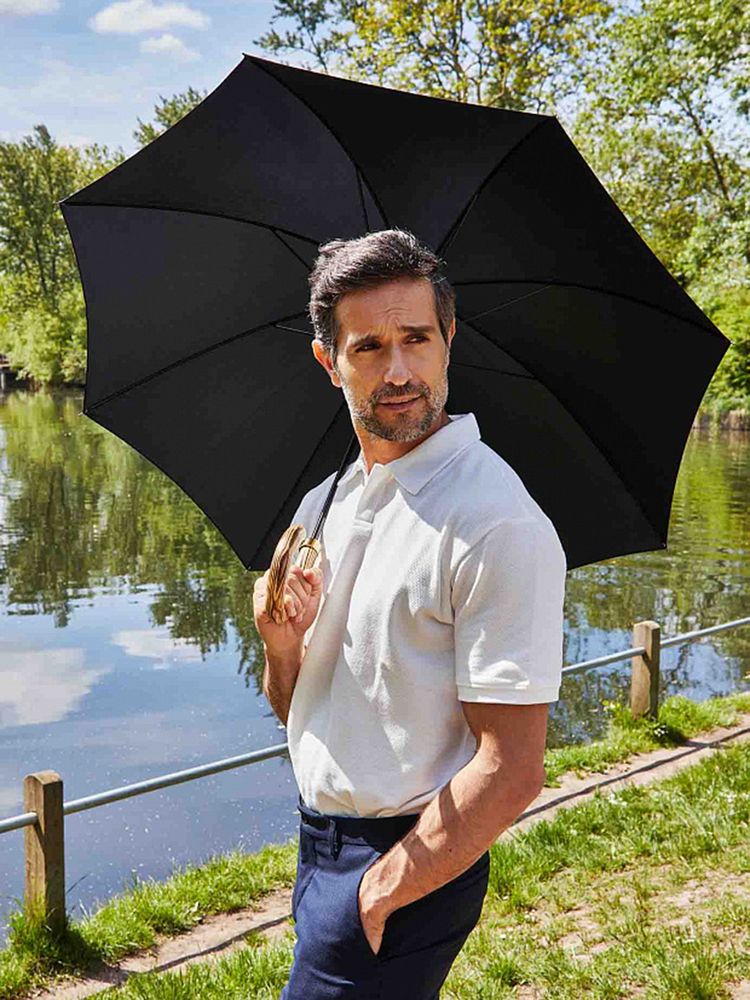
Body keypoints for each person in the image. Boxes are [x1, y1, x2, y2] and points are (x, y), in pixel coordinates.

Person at [252, 228, 567, 999]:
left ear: (448, 340)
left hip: (407, 858)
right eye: (368, 347)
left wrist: (378, 893)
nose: (398, 371)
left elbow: (513, 769)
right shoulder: (325, 502)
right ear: (329, 361)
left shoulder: (494, 522)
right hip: (319, 844)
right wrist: (282, 650)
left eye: (416, 339)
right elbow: (301, 711)